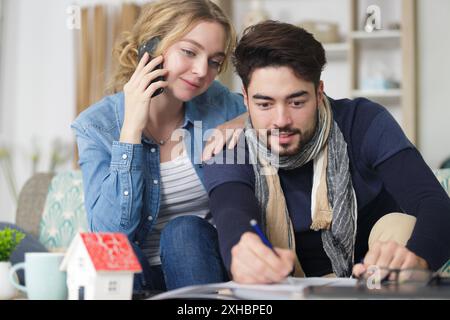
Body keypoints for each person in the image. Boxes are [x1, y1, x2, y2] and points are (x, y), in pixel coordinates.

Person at [203, 20, 450, 284]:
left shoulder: (363, 121)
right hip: (283, 284)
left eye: (297, 102)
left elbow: (433, 202)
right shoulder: (229, 143)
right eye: (264, 104)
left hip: (372, 279)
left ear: (319, 93)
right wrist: (241, 251)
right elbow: (232, 213)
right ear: (245, 99)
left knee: (400, 227)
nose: (281, 119)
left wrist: (417, 258)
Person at [71, 0, 247, 293]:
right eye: (189, 52)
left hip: (200, 265)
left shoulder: (219, 104)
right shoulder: (96, 126)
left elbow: (282, 112)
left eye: (215, 61)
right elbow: (111, 239)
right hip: (137, 279)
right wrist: (130, 132)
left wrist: (242, 121)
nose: (203, 71)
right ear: (150, 50)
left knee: (183, 231)